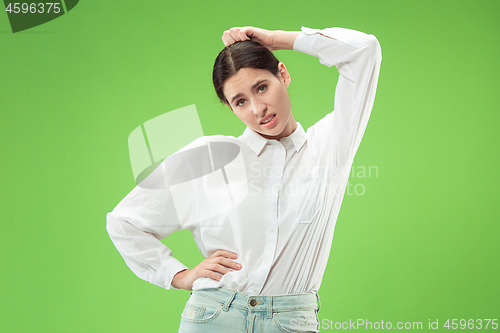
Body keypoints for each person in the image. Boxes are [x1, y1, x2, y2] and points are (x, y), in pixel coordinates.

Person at [106, 24, 382, 332]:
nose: (257, 108)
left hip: (290, 320)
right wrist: (178, 274)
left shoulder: (329, 147)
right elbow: (125, 222)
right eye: (240, 101)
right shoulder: (211, 157)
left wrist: (276, 39)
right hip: (214, 317)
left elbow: (363, 51)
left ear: (283, 75)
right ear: (230, 107)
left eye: (262, 87)